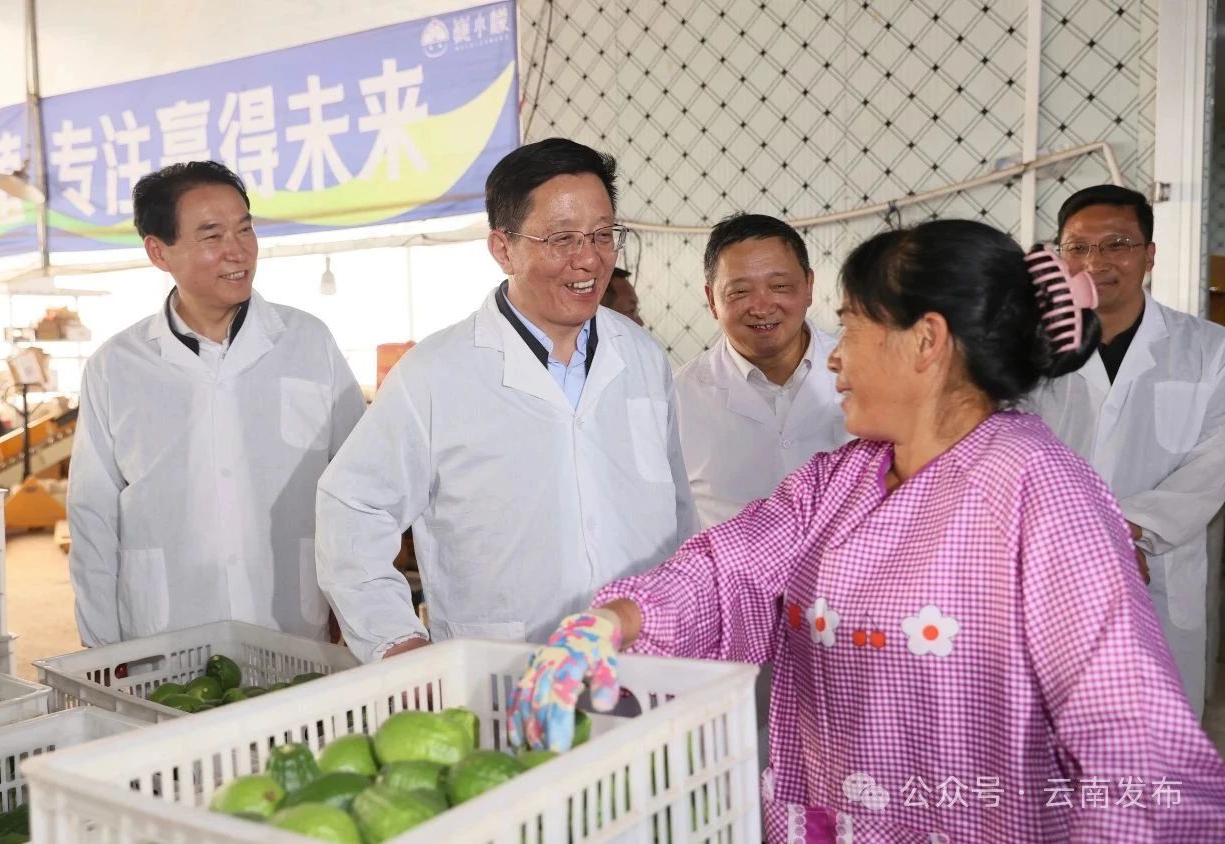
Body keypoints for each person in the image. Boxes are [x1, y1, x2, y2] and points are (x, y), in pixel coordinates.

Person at [510, 220, 1225, 842]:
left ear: (926, 341)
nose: (834, 355)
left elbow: (1131, 738)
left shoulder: (1042, 493)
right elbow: (732, 565)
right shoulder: (845, 476)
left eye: (851, 325)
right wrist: (612, 622)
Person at [316, 138, 696, 662]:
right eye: (562, 238)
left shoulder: (643, 357)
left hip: (648, 661)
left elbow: (678, 510)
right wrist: (395, 641)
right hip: (503, 669)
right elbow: (353, 506)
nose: (589, 258)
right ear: (503, 249)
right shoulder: (435, 373)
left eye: (603, 234)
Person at [67, 161, 365, 646]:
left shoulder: (308, 341)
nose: (238, 250)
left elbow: (359, 482)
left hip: (291, 620)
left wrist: (360, 615)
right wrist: (101, 649)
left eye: (245, 229)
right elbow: (92, 515)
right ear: (158, 252)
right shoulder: (115, 366)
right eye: (211, 235)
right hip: (165, 630)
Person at [1031, 185, 1225, 717]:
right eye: (1078, 247)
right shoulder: (1027, 352)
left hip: (1157, 568)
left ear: (1149, 254)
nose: (1096, 262)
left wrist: (1125, 530)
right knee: (1052, 732)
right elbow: (1007, 452)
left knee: (1155, 733)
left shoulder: (1209, 349)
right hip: (1054, 567)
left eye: (1117, 244)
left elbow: (1215, 461)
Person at [675, 213, 849, 528]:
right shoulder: (676, 398)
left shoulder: (864, 375)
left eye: (779, 286)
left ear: (809, 286)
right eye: (740, 292)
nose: (761, 307)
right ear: (712, 300)